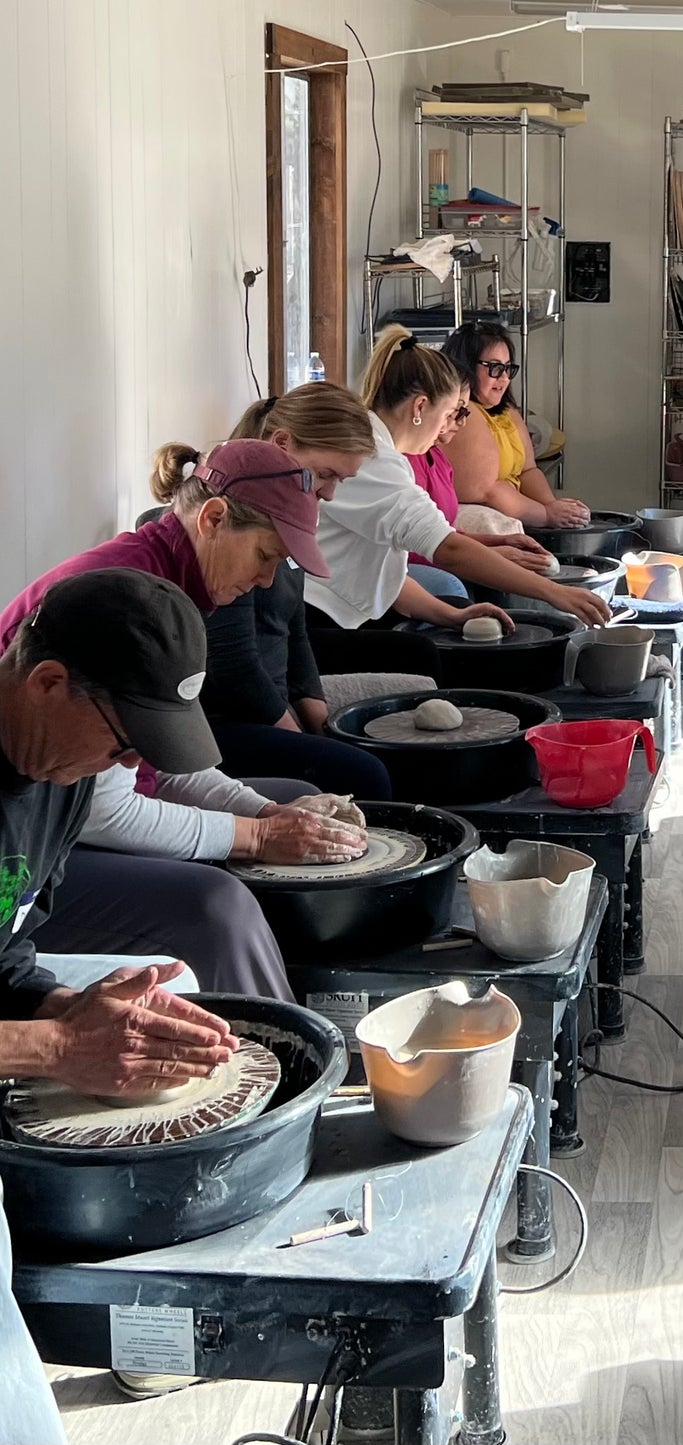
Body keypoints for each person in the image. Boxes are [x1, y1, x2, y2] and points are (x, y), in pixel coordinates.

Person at [0, 569, 247, 1445]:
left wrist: (76, 1005)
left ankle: (149, 1304)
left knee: (163, 1000)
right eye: (121, 741)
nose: (129, 766)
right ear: (48, 682)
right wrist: (58, 1047)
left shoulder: (57, 770)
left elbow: (8, 951)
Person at [0, 439, 368, 995]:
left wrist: (267, 815)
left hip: (63, 821)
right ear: (214, 518)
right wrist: (256, 836)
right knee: (217, 905)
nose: (268, 581)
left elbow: (159, 758)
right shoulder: (119, 608)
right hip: (46, 833)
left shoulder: (174, 597)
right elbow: (105, 807)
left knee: (294, 800)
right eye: (265, 556)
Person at [304, 325, 609, 642]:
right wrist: (555, 593)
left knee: (454, 616)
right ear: (420, 407)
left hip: (346, 607)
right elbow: (448, 549)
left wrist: (453, 615)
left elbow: (385, 578)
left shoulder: (385, 451)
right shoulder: (374, 459)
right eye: (449, 413)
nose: (449, 427)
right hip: (319, 615)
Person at [195, 385, 394, 797]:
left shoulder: (294, 511)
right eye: (326, 474)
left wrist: (319, 718)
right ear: (282, 444)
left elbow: (295, 630)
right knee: (366, 775)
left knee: (377, 750)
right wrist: (297, 734)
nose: (330, 493)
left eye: (340, 480)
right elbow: (232, 667)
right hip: (226, 719)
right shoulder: (238, 526)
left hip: (272, 703)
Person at [406, 390, 555, 601]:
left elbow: (443, 533)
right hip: (399, 564)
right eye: (456, 411)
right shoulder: (399, 463)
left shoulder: (437, 458)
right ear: (421, 407)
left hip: (428, 555)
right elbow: (411, 547)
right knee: (450, 586)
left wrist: (498, 542)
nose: (462, 422)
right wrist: (555, 593)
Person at [439, 321, 591, 528]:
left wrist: (552, 506)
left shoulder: (506, 410)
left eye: (508, 368)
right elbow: (487, 491)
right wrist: (546, 515)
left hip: (514, 516)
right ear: (466, 366)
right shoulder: (465, 415)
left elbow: (529, 471)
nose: (504, 378)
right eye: (495, 368)